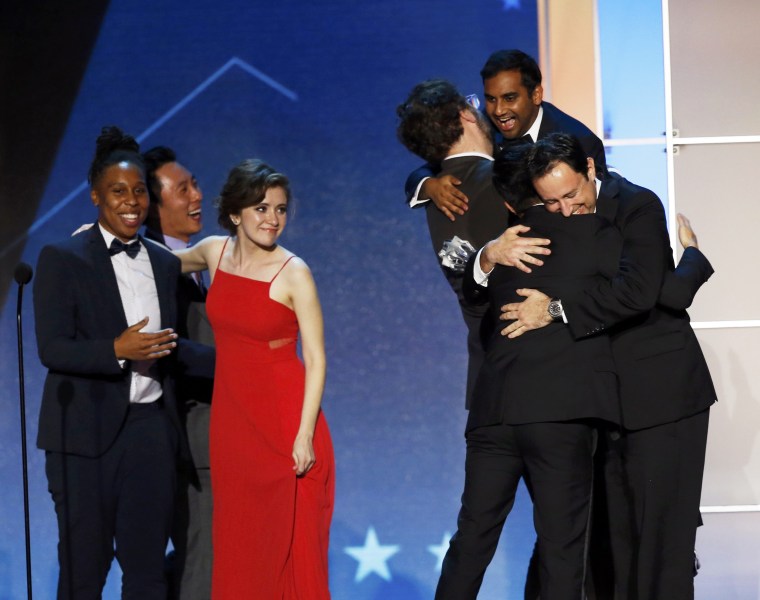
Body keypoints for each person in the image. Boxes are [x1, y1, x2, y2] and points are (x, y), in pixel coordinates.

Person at [492, 133, 716, 599]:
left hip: (662, 394)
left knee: (662, 542)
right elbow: (665, 291)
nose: (566, 210)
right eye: (551, 202)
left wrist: (553, 309)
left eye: (572, 194)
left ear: (591, 169)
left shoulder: (636, 205)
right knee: (615, 546)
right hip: (600, 402)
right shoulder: (550, 220)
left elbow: (642, 294)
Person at [434, 141, 623, 600]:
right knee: (562, 548)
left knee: (473, 541)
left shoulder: (499, 251)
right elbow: (640, 293)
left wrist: (484, 256)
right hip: (561, 414)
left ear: (504, 201)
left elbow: (472, 293)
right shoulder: (597, 235)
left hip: (494, 412)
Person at [33, 126, 213, 599]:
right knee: (84, 569)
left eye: (138, 192)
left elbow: (172, 347)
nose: (130, 202)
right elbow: (52, 348)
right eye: (118, 191)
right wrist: (117, 349)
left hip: (149, 432)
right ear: (95, 195)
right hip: (82, 435)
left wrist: (246, 366)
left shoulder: (164, 262)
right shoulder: (62, 258)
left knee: (147, 571)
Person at [174, 159, 334, 599]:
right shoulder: (213, 251)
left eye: (280, 209)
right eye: (261, 208)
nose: (272, 219)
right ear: (235, 213)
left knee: (289, 556)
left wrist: (304, 437)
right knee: (241, 548)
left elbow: (316, 358)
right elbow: (159, 262)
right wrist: (107, 241)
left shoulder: (294, 272)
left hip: (286, 426)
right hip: (234, 427)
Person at [396, 79, 515, 407]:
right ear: (465, 114)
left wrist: (425, 183)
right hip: (533, 372)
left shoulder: (435, 191)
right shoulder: (508, 178)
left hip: (483, 384)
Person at [404, 49, 608, 221]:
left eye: (509, 98)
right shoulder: (482, 127)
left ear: (536, 94)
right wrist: (430, 186)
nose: (499, 110)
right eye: (491, 99)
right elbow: (422, 173)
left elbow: (598, 211)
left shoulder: (580, 140)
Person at [142, 145, 214, 600]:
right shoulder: (152, 269)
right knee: (198, 559)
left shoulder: (198, 263)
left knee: (203, 555)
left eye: (195, 184)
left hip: (214, 431)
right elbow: (166, 348)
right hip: (188, 436)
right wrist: (247, 365)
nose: (197, 195)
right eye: (183, 188)